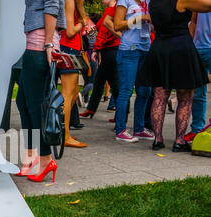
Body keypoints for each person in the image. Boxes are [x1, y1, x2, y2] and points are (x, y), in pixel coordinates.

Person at [137, 0, 211, 152]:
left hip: (159, 47)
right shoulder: (182, 0)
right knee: (185, 97)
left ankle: (157, 139)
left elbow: (154, 27)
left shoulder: (154, 3)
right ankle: (179, 141)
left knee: (159, 97)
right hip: (180, 48)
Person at [15, 0, 66, 182]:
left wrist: (48, 44)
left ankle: (45, 158)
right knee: (23, 102)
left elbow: (52, 6)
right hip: (33, 46)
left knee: (37, 107)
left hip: (40, 46)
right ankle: (31, 155)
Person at [113, 0, 154, 143]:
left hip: (146, 49)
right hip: (129, 50)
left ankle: (139, 128)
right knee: (126, 91)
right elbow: (117, 25)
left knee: (145, 91)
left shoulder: (148, 2)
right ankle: (120, 130)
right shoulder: (125, 1)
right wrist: (140, 18)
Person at [80, 0, 121, 119]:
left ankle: (121, 114)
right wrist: (96, 49)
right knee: (98, 82)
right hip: (106, 50)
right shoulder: (107, 11)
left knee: (115, 84)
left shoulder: (117, 10)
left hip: (112, 50)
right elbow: (100, 33)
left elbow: (107, 33)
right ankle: (91, 109)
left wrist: (96, 49)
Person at [58, 0, 89, 148]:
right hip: (68, 49)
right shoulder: (69, 2)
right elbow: (70, 31)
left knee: (73, 92)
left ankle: (64, 131)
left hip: (71, 49)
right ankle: (65, 135)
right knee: (67, 94)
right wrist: (82, 23)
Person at [185, 12, 211, 143]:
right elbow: (193, 20)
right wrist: (191, 44)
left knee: (199, 93)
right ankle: (197, 130)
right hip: (200, 47)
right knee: (198, 92)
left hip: (202, 48)